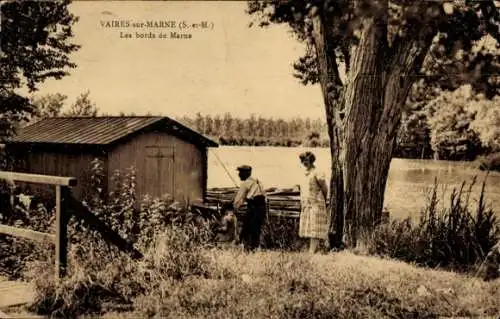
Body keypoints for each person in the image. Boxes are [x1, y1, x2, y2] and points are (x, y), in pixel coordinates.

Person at [298, 151, 330, 253]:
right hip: (307, 202)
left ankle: (312, 250)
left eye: (306, 160)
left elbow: (324, 188)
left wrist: (325, 199)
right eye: (302, 160)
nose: (304, 162)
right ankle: (313, 249)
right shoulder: (304, 173)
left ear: (311, 160)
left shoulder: (317, 172)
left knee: (315, 226)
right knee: (309, 225)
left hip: (316, 201)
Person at [233, 165, 266, 251]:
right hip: (262, 207)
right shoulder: (257, 181)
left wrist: (235, 206)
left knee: (248, 227)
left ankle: (248, 247)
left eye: (240, 173)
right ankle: (255, 247)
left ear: (246, 173)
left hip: (253, 207)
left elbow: (240, 198)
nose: (239, 175)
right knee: (256, 228)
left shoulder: (246, 183)